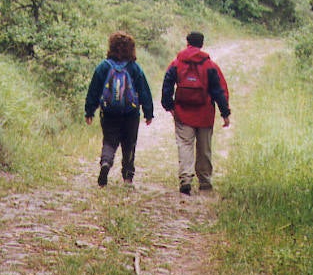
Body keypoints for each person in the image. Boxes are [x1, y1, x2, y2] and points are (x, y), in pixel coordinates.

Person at [161, 31, 230, 195]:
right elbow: (218, 91)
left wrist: (168, 105)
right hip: (205, 113)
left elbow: (167, 85)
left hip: (183, 112)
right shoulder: (210, 65)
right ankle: (205, 183)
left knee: (185, 145)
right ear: (202, 44)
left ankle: (186, 179)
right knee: (204, 148)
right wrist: (225, 113)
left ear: (187, 43)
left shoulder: (177, 63)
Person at [84, 31, 154, 186]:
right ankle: (128, 177)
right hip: (131, 114)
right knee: (129, 144)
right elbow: (144, 90)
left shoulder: (103, 66)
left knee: (109, 141)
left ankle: (106, 162)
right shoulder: (134, 68)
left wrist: (90, 111)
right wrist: (148, 112)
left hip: (109, 113)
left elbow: (94, 90)